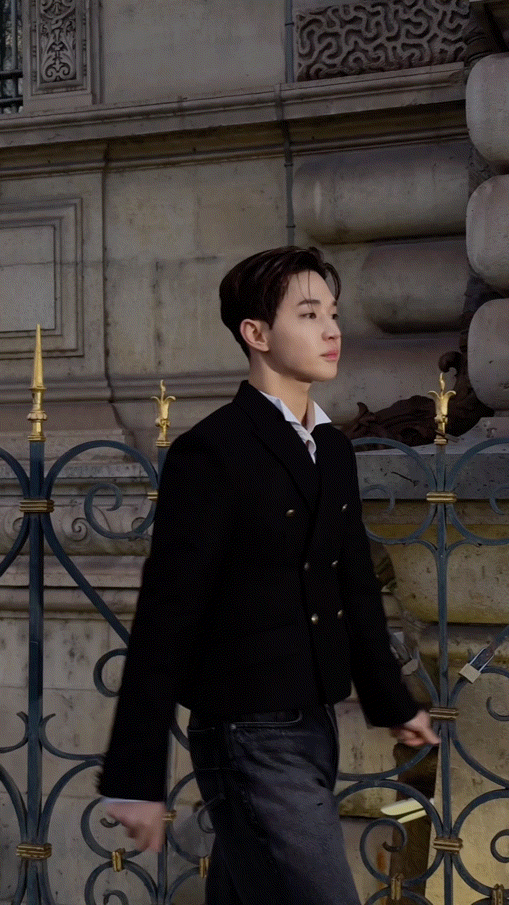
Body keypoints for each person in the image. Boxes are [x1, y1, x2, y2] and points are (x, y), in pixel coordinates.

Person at [99, 246, 439, 904]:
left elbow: (353, 585)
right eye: (308, 314)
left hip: (314, 724)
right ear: (255, 333)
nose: (331, 330)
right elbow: (167, 615)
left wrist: (392, 702)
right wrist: (134, 776)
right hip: (248, 735)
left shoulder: (331, 447)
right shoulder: (212, 451)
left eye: (332, 313)